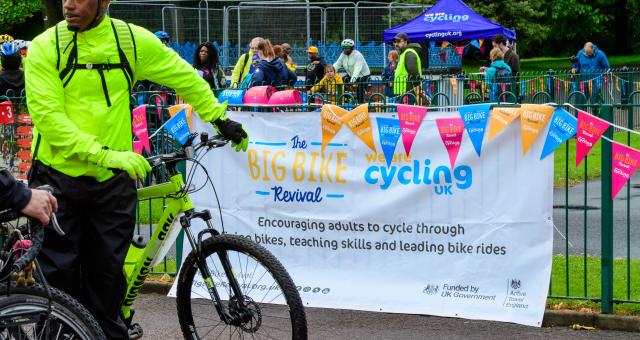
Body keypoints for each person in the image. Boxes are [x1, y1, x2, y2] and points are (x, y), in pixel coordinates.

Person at [24, 1, 248, 339]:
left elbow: (183, 76)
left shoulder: (129, 40)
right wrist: (105, 155)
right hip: (56, 183)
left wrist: (218, 116)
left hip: (111, 185)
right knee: (59, 290)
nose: (69, 3)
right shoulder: (45, 46)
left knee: (108, 287)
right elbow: (49, 120)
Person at [333, 38, 371, 103]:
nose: (344, 50)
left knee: (360, 92)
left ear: (352, 48)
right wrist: (330, 71)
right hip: (351, 74)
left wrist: (352, 81)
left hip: (362, 76)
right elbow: (337, 64)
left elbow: (357, 69)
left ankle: (360, 105)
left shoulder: (358, 55)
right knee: (342, 84)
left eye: (347, 48)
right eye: (343, 48)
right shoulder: (343, 54)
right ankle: (348, 99)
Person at [391, 32, 422, 102]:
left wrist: (415, 89)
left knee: (408, 113)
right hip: (402, 91)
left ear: (405, 42)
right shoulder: (403, 53)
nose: (396, 44)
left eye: (399, 41)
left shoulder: (409, 53)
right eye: (395, 42)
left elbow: (414, 73)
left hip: (407, 91)